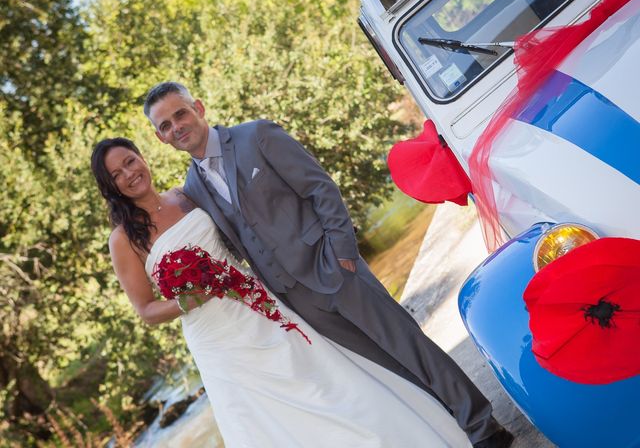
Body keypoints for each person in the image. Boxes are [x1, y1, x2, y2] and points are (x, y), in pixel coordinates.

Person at [142, 81, 514, 448]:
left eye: (181, 114)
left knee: (409, 347)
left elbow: (320, 188)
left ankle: (482, 427)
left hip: (334, 268)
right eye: (166, 126)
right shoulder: (191, 188)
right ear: (161, 138)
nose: (177, 127)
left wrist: (343, 253)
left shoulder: (256, 136)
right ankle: (445, 431)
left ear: (199, 109)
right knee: (381, 368)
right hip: (292, 296)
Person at [92, 137, 474, 447]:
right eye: (117, 173)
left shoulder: (186, 195)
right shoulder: (123, 239)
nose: (129, 173)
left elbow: (238, 231)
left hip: (262, 306)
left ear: (143, 156)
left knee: (330, 382)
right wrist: (190, 299)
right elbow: (145, 310)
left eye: (130, 161)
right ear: (110, 186)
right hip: (218, 340)